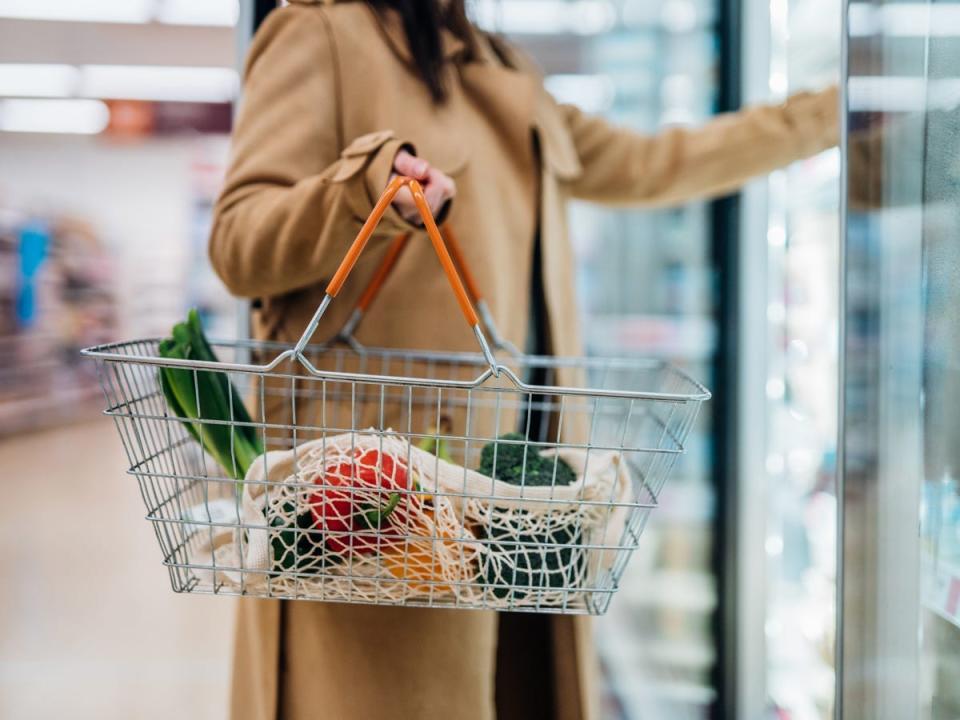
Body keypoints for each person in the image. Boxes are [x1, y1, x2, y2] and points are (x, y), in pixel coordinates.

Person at [208, 1, 838, 718]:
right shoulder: (318, 32)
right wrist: (366, 188)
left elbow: (650, 165)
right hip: (379, 514)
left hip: (522, 508)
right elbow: (238, 244)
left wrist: (830, 115)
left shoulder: (501, 64)